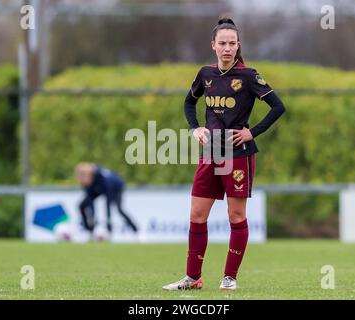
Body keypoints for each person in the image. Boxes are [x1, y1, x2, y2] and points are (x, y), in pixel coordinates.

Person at [162, 17, 285, 291]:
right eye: (222, 43)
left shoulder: (249, 76)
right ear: (213, 46)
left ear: (238, 45)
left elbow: (278, 107)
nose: (227, 48)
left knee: (236, 217)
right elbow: (188, 103)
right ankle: (192, 278)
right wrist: (195, 128)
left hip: (239, 154)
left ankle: (230, 277)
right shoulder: (205, 74)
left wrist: (252, 132)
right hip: (211, 153)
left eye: (232, 43)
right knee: (196, 214)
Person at [75, 162, 138, 239]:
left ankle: (136, 230)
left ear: (88, 175)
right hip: (101, 189)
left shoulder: (102, 178)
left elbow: (108, 202)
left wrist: (108, 225)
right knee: (82, 205)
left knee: (119, 209)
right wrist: (92, 223)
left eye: (82, 176)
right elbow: (90, 202)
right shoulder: (87, 182)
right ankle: (89, 230)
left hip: (115, 187)